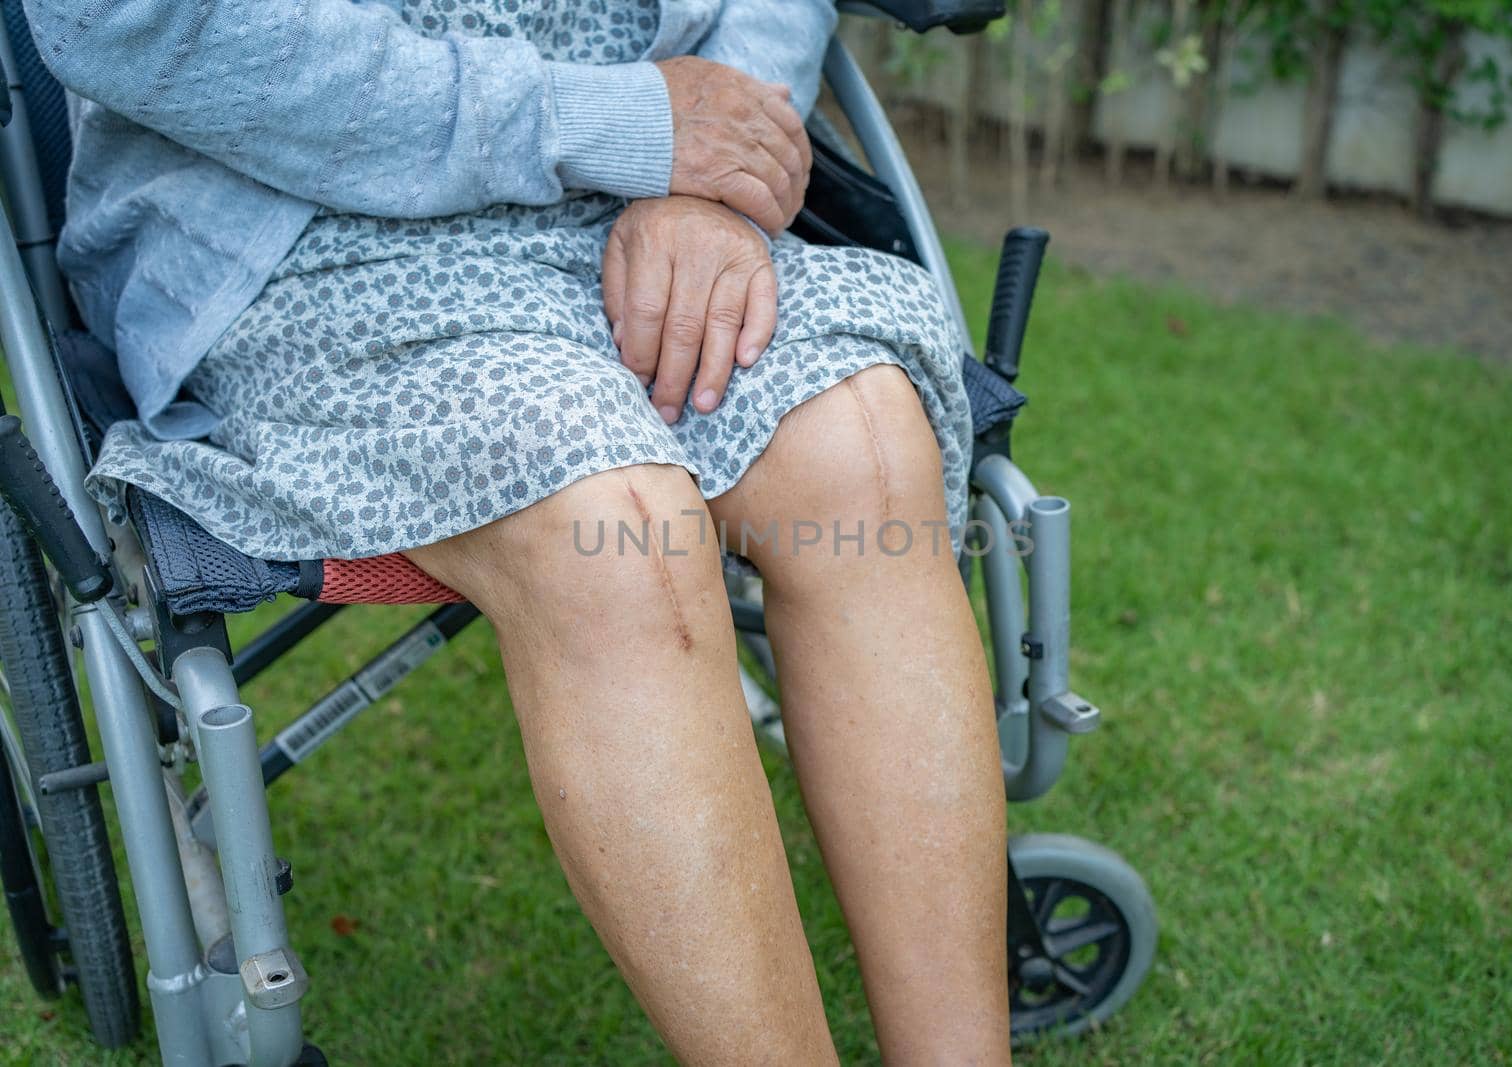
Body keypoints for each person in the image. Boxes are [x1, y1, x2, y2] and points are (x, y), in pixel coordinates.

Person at [25, 0, 1010, 1061]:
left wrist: (710, 167)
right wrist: (616, 124)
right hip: (303, 234)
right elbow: (127, 24)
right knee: (616, 528)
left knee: (858, 452)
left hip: (643, 194)